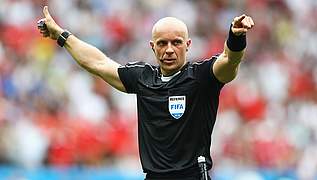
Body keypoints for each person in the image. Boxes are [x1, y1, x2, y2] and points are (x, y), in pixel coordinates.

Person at [37, 5, 254, 180]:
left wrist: (235, 37)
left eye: (176, 42)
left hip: (192, 176)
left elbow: (229, 62)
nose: (169, 49)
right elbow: (98, 63)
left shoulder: (201, 77)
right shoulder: (143, 78)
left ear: (188, 45)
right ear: (152, 46)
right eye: (162, 43)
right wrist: (61, 35)